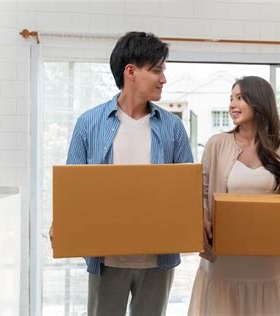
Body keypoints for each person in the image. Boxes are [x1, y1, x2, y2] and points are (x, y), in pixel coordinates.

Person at [50, 31, 193, 316]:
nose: (163, 78)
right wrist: (62, 222)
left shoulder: (172, 128)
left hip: (157, 260)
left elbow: (190, 188)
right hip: (106, 259)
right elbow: (73, 189)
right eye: (156, 70)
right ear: (131, 71)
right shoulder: (89, 123)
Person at [188, 76, 280, 316]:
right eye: (231, 99)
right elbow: (201, 190)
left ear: (259, 102)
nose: (232, 105)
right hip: (224, 260)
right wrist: (203, 216)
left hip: (268, 262)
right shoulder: (217, 144)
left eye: (239, 98)